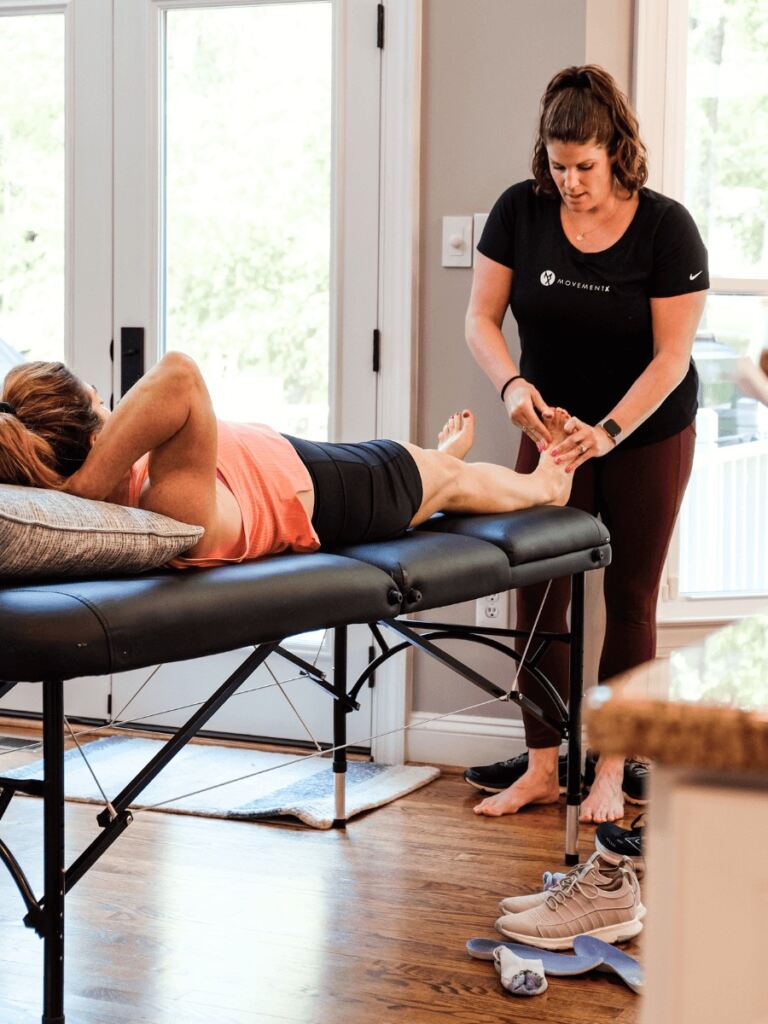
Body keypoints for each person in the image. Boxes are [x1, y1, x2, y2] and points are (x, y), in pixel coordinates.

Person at [464, 64, 708, 824]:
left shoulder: (667, 228)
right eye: (558, 164)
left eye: (585, 167)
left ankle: (611, 767)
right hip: (550, 434)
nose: (570, 181)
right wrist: (512, 389)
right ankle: (544, 765)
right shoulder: (521, 210)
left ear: (616, 152)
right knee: (537, 593)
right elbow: (480, 320)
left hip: (642, 433)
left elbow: (671, 359)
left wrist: (605, 434)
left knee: (629, 596)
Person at [0, 353, 574, 567]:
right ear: (97, 444)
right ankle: (546, 484)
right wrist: (85, 488)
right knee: (449, 479)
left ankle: (435, 459)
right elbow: (180, 373)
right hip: (339, 486)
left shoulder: (155, 485)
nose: (121, 411)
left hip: (295, 461)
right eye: (106, 407)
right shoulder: (165, 501)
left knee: (433, 468)